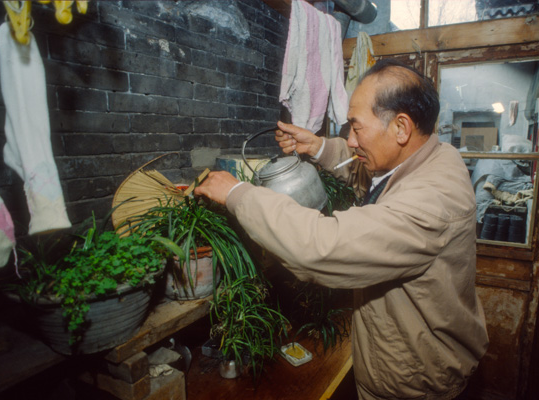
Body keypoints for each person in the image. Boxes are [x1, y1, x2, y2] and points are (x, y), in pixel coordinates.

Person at [194, 59, 489, 400]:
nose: (349, 140)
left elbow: (321, 246)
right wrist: (317, 147)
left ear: (401, 127)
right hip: (406, 362)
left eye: (356, 127)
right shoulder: (431, 156)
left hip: (413, 385)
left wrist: (236, 194)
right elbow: (369, 173)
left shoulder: (431, 202)